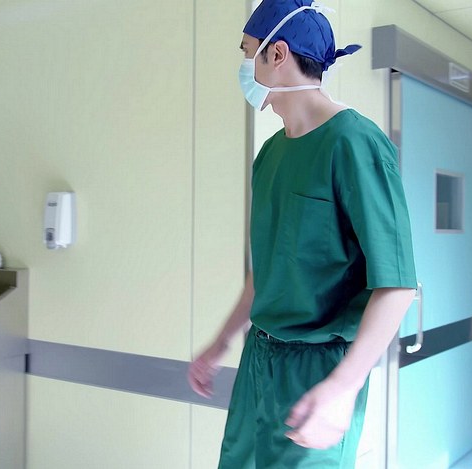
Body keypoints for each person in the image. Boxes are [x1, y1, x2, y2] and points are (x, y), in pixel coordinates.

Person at [188, 1, 418, 467]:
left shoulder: (354, 143)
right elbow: (267, 270)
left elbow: (396, 286)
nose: (244, 63)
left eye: (247, 50)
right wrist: (222, 341)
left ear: (277, 54)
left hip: (318, 370)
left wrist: (343, 387)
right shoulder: (271, 154)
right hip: (259, 361)